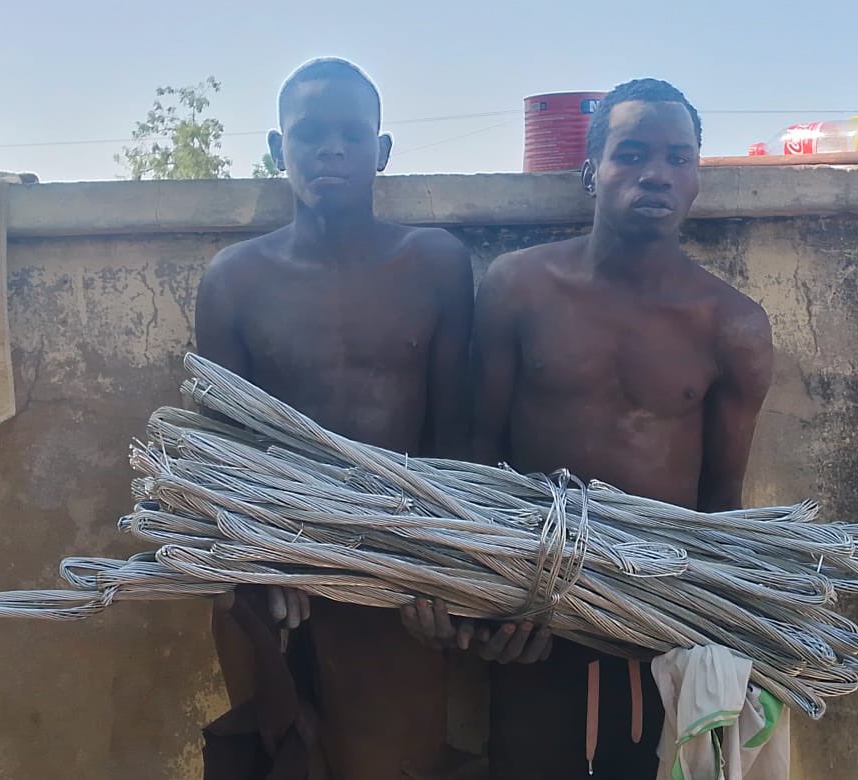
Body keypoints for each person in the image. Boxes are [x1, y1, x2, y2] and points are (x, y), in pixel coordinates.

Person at [469, 79, 774, 779]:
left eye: (678, 157)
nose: (656, 174)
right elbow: (478, 454)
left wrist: (713, 637)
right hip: (532, 612)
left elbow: (721, 500)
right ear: (590, 172)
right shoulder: (518, 288)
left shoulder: (732, 325)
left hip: (655, 623)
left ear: (698, 178)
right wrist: (481, 600)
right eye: (630, 154)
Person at [194, 57, 476, 780]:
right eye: (309, 133)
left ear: (381, 152)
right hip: (270, 568)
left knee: (394, 762)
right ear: (275, 149)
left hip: (398, 570)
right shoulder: (234, 279)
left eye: (353, 134)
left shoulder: (435, 263)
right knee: (281, 756)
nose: (331, 149)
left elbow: (453, 442)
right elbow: (221, 445)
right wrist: (264, 552)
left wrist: (441, 571)